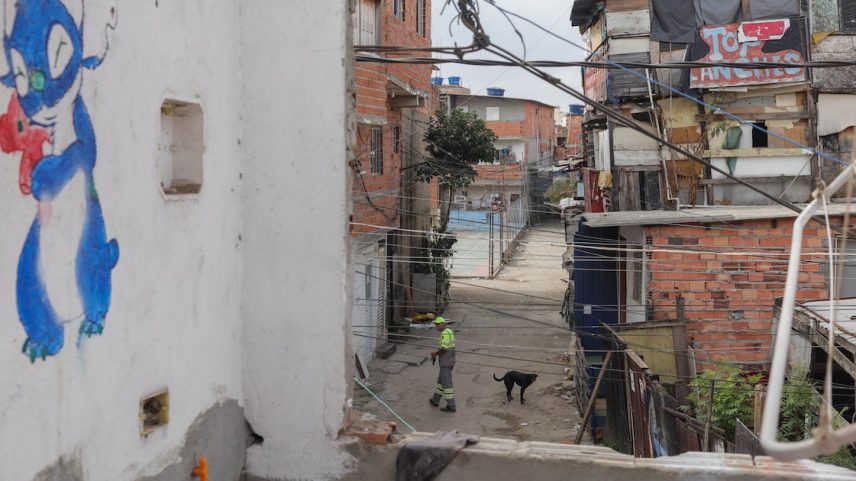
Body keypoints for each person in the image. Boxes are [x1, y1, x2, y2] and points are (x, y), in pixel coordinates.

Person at [429, 316, 456, 412]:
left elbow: (444, 348)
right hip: (449, 360)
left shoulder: (445, 333)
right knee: (440, 383)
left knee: (447, 385)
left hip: (446, 362)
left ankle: (451, 406)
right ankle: (435, 400)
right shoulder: (449, 331)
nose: (436, 326)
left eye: (437, 324)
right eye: (435, 324)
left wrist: (435, 353)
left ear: (442, 324)